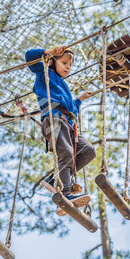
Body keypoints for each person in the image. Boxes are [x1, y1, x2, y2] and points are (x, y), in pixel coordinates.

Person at [25, 45, 96, 207]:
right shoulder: (45, 74)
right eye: (64, 62)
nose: (68, 67)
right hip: (54, 119)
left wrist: (80, 99)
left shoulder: (64, 86)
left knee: (88, 151)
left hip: (68, 123)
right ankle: (64, 193)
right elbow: (29, 56)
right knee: (66, 153)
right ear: (52, 62)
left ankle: (54, 179)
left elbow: (71, 108)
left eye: (70, 65)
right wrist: (49, 52)